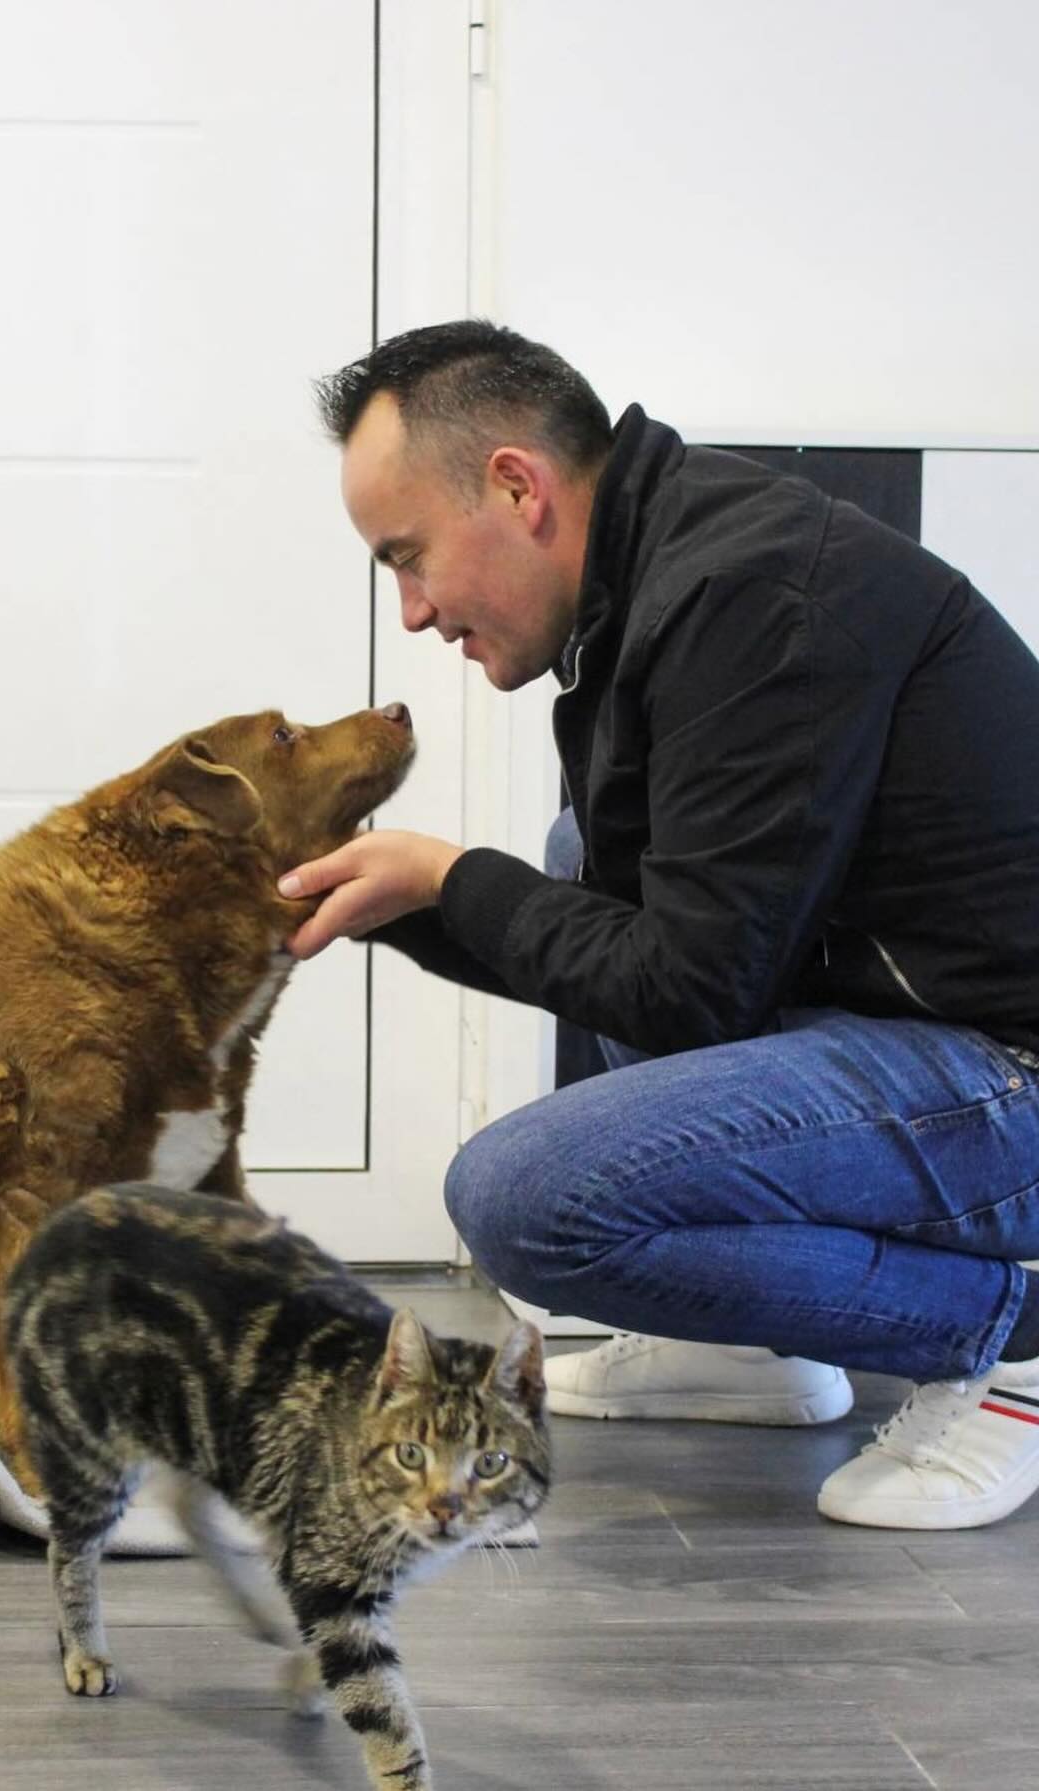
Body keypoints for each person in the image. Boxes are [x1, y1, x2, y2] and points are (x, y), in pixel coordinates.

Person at [277, 318, 1039, 1531]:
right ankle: (755, 1350)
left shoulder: (755, 597)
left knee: (527, 1199)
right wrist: (401, 901)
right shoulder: (651, 587)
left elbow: (686, 989)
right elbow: (644, 947)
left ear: (516, 486)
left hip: (1012, 1076)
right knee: (590, 861)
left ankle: (1012, 1350)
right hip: (915, 1024)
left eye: (409, 558)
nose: (414, 613)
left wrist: (453, 875)